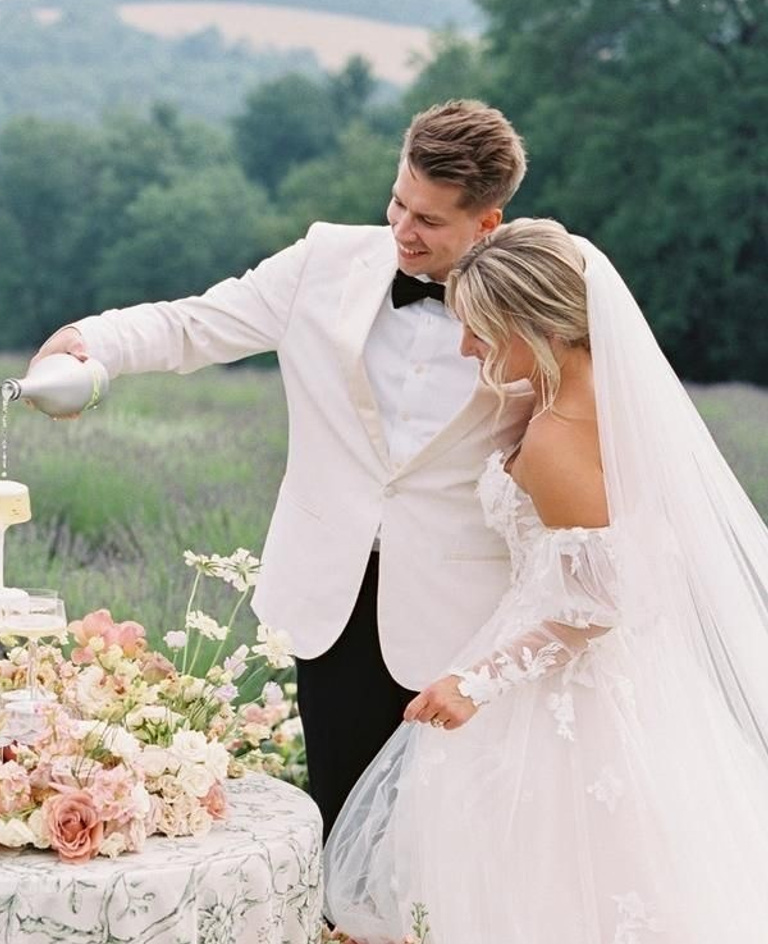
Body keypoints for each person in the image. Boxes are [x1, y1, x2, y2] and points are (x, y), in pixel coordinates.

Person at [325, 219, 768, 944]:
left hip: (562, 707)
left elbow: (593, 608)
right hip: (602, 698)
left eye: (483, 332)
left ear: (533, 325)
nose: (469, 351)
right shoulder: (580, 401)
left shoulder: (561, 437)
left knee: (548, 925)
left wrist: (473, 683)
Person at [29, 100, 530, 837]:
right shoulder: (323, 261)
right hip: (330, 596)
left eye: (429, 220)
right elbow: (191, 324)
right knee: (338, 825)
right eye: (397, 202)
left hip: (467, 613)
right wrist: (86, 343)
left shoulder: (533, 292)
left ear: (487, 222)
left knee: (448, 838)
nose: (402, 229)